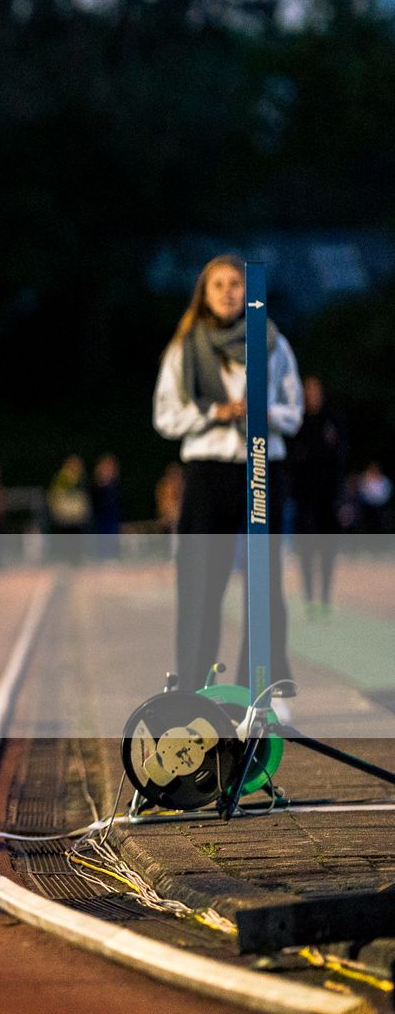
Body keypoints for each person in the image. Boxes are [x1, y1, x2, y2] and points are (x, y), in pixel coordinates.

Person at [154, 254, 300, 711]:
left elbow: (294, 413)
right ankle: (192, 693)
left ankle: (260, 691)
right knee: (200, 583)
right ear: (204, 292)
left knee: (265, 583)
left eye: (235, 284)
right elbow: (165, 416)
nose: (227, 292)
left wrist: (262, 412)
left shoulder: (273, 343)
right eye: (217, 284)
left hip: (261, 466)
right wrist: (217, 412)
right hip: (209, 471)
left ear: (249, 292)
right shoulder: (185, 347)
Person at [288, 376, 345, 619]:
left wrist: (341, 498)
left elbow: (341, 459)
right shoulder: (297, 423)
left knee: (328, 551)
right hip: (304, 502)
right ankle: (309, 598)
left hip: (328, 500)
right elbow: (289, 461)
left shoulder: (332, 421)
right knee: (307, 552)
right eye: (307, 392)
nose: (312, 396)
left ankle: (325, 598)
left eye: (315, 391)